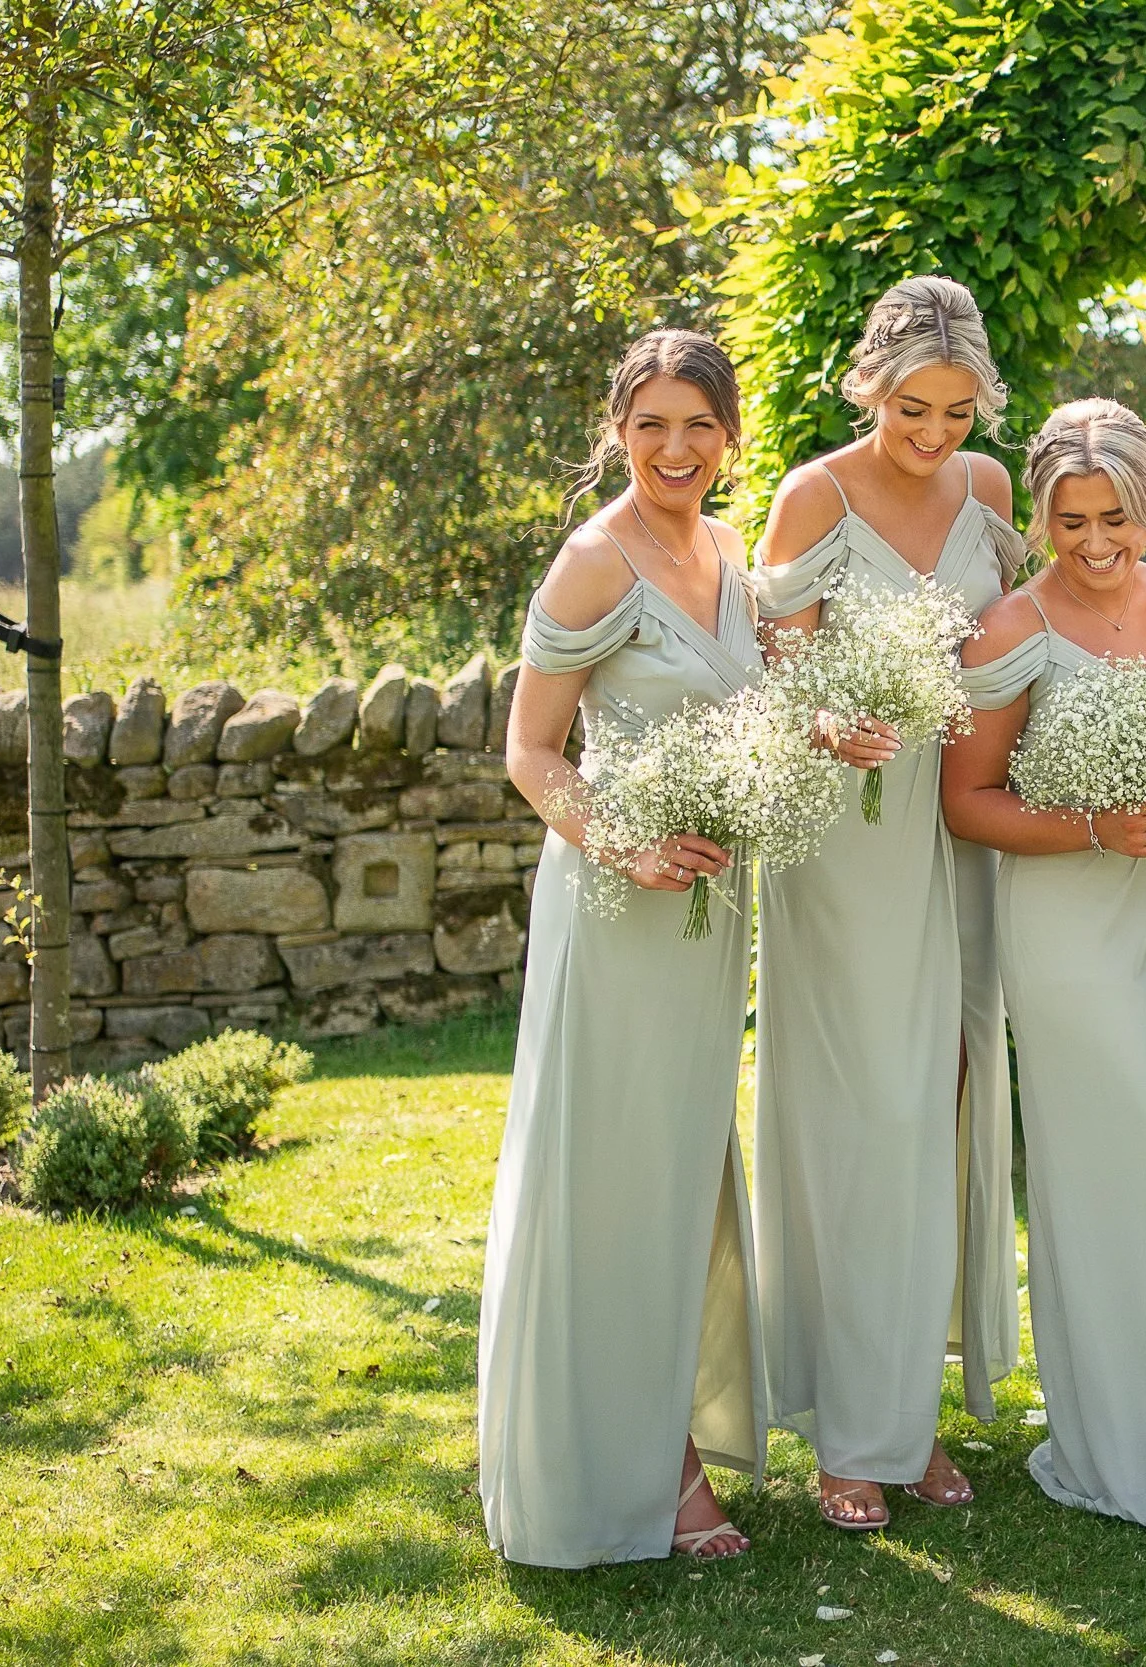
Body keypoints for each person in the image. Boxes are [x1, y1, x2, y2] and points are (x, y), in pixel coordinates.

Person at [943, 399, 1146, 1536]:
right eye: (1071, 519)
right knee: (1142, 1173)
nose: (1096, 542)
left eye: (1117, 517)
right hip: (1075, 934)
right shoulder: (1008, 629)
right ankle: (1138, 1446)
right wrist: (1090, 825)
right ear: (1040, 515)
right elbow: (966, 800)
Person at [478, 328, 765, 1566]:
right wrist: (624, 845)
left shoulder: (730, 554)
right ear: (617, 430)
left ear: (729, 436)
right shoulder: (594, 562)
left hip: (707, 919)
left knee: (680, 1171)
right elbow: (530, 752)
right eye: (649, 422)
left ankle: (671, 1438)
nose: (674, 448)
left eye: (697, 422)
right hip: (614, 910)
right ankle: (631, 1469)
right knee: (610, 1176)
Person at [749, 275, 1020, 1531]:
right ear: (871, 386)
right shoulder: (815, 492)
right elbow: (767, 656)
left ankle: (906, 1416)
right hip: (843, 829)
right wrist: (823, 716)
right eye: (913, 407)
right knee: (860, 1110)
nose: (934, 434)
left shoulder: (992, 493)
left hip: (959, 824)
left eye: (957, 412)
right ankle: (845, 1432)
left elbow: (1011, 644)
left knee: (941, 1106)